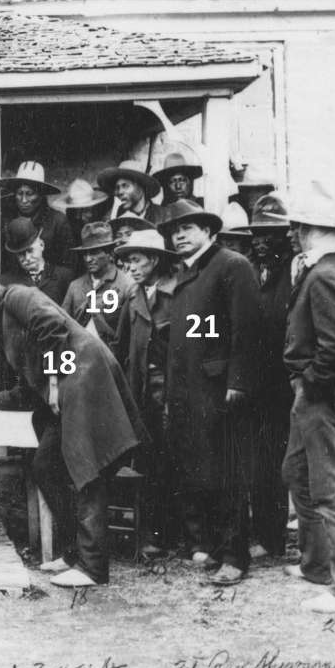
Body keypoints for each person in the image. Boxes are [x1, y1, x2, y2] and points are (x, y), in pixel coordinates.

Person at [0, 283, 146, 588]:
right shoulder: (4, 328)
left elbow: (52, 325)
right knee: (45, 465)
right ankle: (73, 552)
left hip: (84, 378)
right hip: (65, 390)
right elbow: (26, 390)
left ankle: (93, 568)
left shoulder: (17, 296)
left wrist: (53, 382)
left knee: (87, 470)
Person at [159, 199, 261, 586]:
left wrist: (238, 382)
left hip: (221, 391)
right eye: (174, 230)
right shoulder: (188, 274)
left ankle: (235, 557)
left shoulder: (231, 266)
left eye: (188, 227)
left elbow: (246, 331)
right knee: (204, 473)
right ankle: (217, 548)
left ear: (209, 231)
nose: (179, 234)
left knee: (229, 473)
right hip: (191, 392)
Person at [281, 182, 335, 613]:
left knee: (331, 490)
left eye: (297, 227)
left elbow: (334, 346)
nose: (293, 234)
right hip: (318, 394)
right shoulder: (328, 270)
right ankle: (318, 566)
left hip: (322, 396)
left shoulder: (326, 274)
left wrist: (308, 386)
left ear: (307, 229)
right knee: (297, 472)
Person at [114, 229, 178, 556]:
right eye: (127, 261)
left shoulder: (178, 293)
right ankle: (152, 536)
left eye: (136, 260)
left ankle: (182, 536)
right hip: (142, 397)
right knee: (149, 465)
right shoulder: (132, 296)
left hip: (172, 395)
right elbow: (124, 346)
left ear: (154, 260)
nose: (131, 267)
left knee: (176, 465)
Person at [246, 192, 295, 559]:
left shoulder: (294, 271)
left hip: (285, 381)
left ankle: (279, 535)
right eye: (257, 234)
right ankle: (265, 533)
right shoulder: (248, 268)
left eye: (270, 234)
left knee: (284, 461)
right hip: (254, 381)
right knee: (258, 460)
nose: (262, 241)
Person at [61, 222, 137, 351]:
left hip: (113, 360)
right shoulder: (75, 286)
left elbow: (132, 335)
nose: (88, 259)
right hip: (80, 359)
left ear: (110, 253)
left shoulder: (127, 285)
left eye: (94, 252)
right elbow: (62, 326)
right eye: (85, 254)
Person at [0, 161, 73, 272]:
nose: (23, 200)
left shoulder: (58, 221)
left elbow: (68, 264)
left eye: (29, 194)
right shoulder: (7, 221)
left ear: (41, 195)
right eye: (19, 193)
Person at [0, 217, 73, 303]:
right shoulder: (4, 282)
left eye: (30, 250)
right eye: (21, 254)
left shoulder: (64, 277)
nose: (27, 258)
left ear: (41, 245)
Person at [99, 159, 168, 228]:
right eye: (117, 187)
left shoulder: (162, 215)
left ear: (141, 186)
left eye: (125, 186)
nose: (120, 192)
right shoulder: (120, 215)